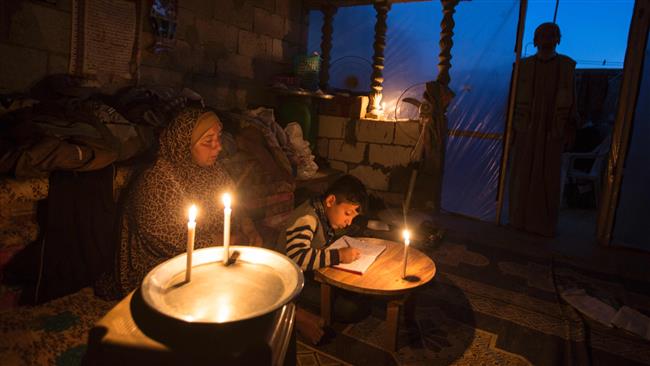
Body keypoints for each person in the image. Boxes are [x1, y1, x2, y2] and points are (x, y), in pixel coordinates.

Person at [106, 108, 262, 296]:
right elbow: (166, 239)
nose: (218, 147)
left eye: (218, 137)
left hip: (211, 256)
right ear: (184, 144)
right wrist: (225, 241)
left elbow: (234, 206)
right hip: (163, 266)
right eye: (208, 141)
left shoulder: (214, 171)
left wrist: (249, 228)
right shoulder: (157, 180)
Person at [275, 175, 368, 344]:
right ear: (331, 200)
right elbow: (297, 258)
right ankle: (294, 313)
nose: (348, 222)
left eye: (352, 218)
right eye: (347, 214)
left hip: (310, 275)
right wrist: (339, 255)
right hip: (290, 281)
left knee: (359, 295)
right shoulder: (307, 218)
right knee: (352, 308)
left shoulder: (322, 212)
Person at [509, 22, 578, 237]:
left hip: (552, 131)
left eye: (551, 35)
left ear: (557, 39)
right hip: (527, 128)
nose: (547, 39)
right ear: (536, 39)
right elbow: (513, 98)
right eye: (543, 35)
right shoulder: (524, 66)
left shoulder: (566, 67)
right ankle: (518, 219)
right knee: (522, 172)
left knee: (547, 176)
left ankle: (544, 224)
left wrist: (569, 128)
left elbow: (572, 99)